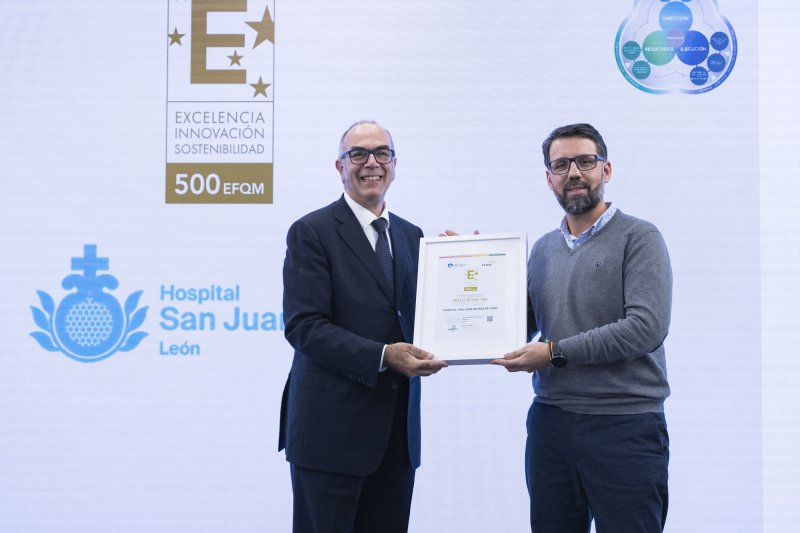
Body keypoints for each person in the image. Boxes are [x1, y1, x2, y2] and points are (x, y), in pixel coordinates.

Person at [494, 123, 672, 532]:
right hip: (551, 425)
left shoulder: (640, 237)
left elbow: (645, 328)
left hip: (624, 426)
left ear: (605, 170)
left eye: (585, 161)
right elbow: (516, 324)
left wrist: (554, 351)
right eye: (561, 165)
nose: (573, 172)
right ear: (549, 178)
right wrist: (477, 266)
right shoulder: (543, 249)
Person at [278, 120, 447, 533]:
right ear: (340, 166)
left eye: (381, 153)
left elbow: (423, 315)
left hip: (396, 439)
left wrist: (469, 265)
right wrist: (384, 356)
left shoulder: (411, 235)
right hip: (330, 437)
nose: (372, 163)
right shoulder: (311, 231)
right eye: (358, 154)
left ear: (394, 164)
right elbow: (304, 327)